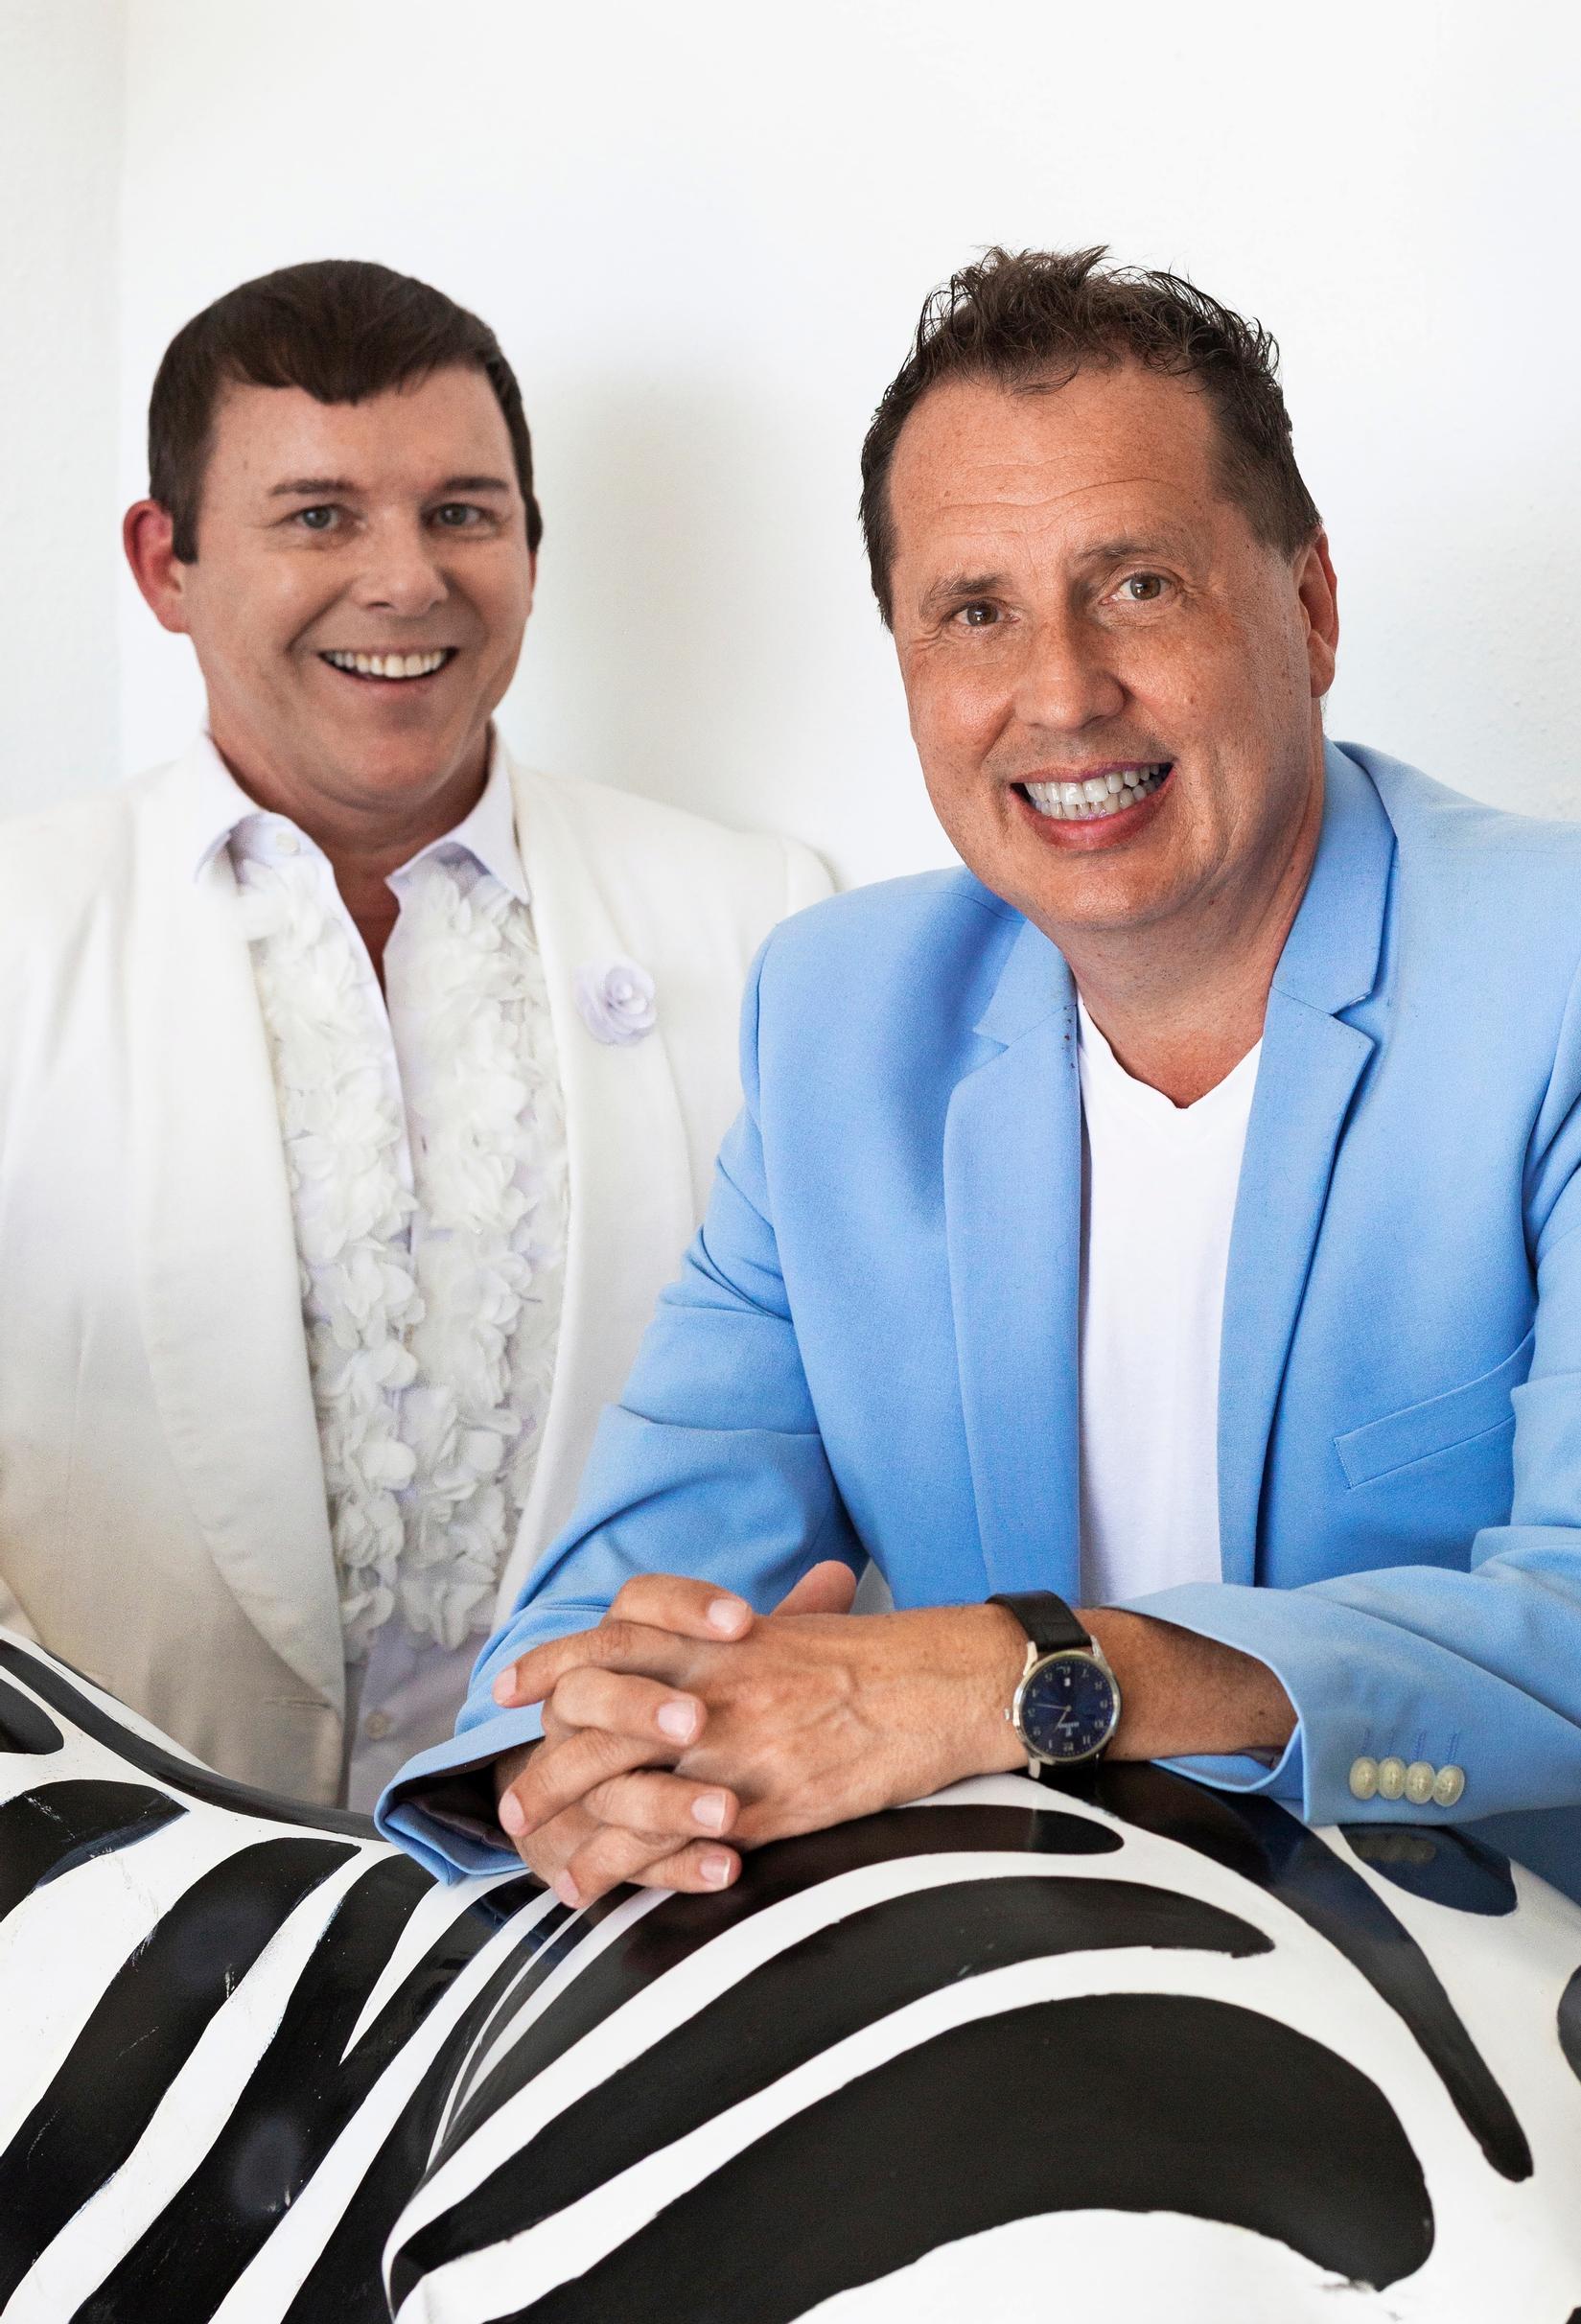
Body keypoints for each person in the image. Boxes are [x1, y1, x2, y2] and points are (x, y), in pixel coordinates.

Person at [382, 245, 1581, 1908]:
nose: (1060, 695)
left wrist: (1016, 1677)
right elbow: (616, 1610)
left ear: (1307, 608)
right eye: (974, 613)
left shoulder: (1552, 977)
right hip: (1014, 2006)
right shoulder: (841, 1015)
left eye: (1137, 585)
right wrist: (587, 1763)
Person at [0, 259, 827, 1808]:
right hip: (95, 1890)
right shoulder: (17, 936)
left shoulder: (762, 925)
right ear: (165, 563)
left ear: (530, 548)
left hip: (618, 1888)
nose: (405, 580)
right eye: (318, 516)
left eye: (461, 513)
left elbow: (822, 1465)